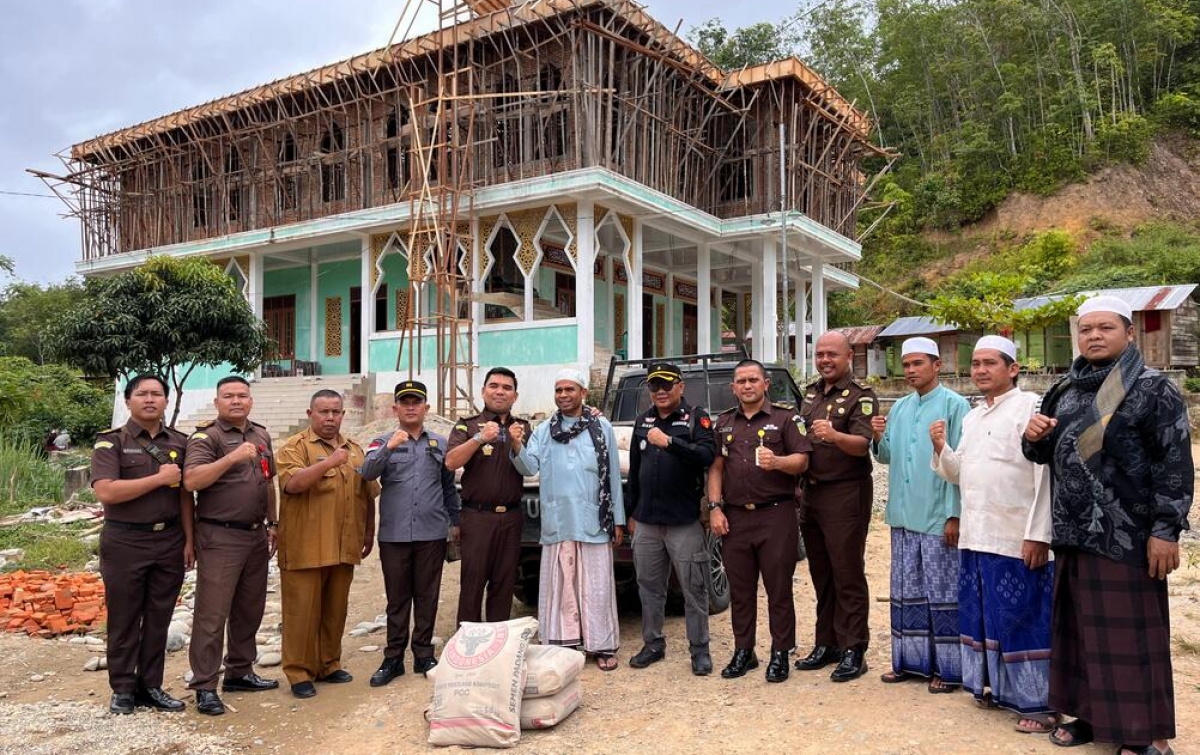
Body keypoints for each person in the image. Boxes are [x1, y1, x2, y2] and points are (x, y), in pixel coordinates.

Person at [1023, 296, 1192, 755]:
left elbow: (1174, 462)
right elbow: (1043, 456)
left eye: (1105, 328)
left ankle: (1145, 735)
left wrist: (1166, 529)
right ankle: (1091, 718)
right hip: (1074, 533)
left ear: (1129, 333)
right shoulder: (1064, 389)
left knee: (1130, 636)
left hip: (1128, 536)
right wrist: (1033, 437)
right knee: (1079, 632)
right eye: (1086, 329)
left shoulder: (1153, 389)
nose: (1094, 336)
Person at [930, 336, 1057, 733]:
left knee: (1025, 618)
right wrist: (941, 448)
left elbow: (1045, 475)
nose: (980, 370)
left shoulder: (1030, 407)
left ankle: (1039, 705)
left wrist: (1039, 535)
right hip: (977, 536)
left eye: (990, 363)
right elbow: (959, 472)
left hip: (1016, 537)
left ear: (1013, 369)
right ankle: (997, 690)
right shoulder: (972, 416)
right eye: (976, 364)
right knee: (986, 617)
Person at [90, 375, 192, 715]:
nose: (150, 399)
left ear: (166, 400)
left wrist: (189, 541)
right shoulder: (111, 443)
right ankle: (122, 689)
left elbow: (185, 497)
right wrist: (159, 479)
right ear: (129, 400)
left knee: (159, 617)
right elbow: (106, 492)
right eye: (142, 394)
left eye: (157, 394)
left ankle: (151, 686)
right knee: (124, 617)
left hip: (169, 540)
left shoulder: (180, 441)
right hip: (125, 541)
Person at [871, 337, 969, 693]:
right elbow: (886, 459)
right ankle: (911, 663)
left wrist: (954, 515)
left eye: (918, 364)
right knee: (907, 591)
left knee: (942, 594)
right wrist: (877, 437)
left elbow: (961, 464)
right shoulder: (899, 407)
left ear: (936, 365)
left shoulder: (955, 406)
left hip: (936, 515)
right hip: (902, 514)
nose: (910, 370)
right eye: (906, 364)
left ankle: (949, 669)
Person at [511, 368, 625, 671]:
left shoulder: (601, 427)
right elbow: (528, 466)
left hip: (594, 520)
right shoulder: (545, 430)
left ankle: (601, 646)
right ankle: (564, 643)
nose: (563, 395)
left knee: (596, 587)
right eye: (559, 390)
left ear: (583, 393)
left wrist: (618, 520)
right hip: (559, 521)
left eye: (569, 389)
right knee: (561, 586)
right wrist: (516, 446)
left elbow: (613, 474)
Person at [707, 358, 811, 683]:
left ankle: (780, 652)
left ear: (766, 383)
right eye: (742, 381)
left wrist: (778, 462)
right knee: (741, 590)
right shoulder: (724, 423)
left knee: (778, 588)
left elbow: (803, 461)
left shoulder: (786, 419)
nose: (748, 386)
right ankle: (744, 651)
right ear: (733, 387)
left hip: (776, 514)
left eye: (754, 380)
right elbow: (716, 469)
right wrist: (714, 507)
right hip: (735, 517)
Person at [183, 375, 280, 716]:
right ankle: (205, 685)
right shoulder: (206, 436)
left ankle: (240, 671)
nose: (236, 401)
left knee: (249, 608)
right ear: (217, 402)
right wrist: (231, 459)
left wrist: (273, 522)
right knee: (212, 614)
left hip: (255, 534)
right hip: (219, 536)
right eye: (229, 396)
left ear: (251, 400)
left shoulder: (261, 434)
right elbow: (192, 480)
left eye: (242, 395)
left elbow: (268, 481)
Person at [275, 389, 380, 699]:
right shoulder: (294, 448)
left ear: (343, 415)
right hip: (305, 545)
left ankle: (328, 664)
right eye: (324, 412)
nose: (330, 418)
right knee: (301, 613)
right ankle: (299, 673)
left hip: (343, 544)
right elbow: (292, 485)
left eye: (336, 412)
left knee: (335, 609)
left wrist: (368, 531)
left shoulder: (356, 450)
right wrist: (330, 462)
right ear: (311, 414)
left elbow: (369, 493)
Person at [361, 380, 460, 686]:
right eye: (405, 402)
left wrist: (455, 523)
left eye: (417, 401)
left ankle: (423, 654)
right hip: (394, 534)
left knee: (428, 595)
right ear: (396, 409)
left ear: (426, 408)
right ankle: (393, 659)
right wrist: (390, 448)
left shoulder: (440, 444)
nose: (411, 406)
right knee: (397, 598)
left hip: (431, 532)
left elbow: (447, 487)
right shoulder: (382, 441)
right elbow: (367, 473)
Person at [794, 331, 879, 682]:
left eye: (832, 354)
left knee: (847, 572)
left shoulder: (861, 397)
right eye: (820, 354)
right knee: (821, 573)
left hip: (846, 493)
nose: (825, 360)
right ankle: (826, 641)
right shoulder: (810, 393)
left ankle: (854, 648)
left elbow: (862, 444)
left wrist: (834, 435)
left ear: (849, 358)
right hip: (811, 494)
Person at [625, 362, 716, 676]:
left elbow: (707, 456)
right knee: (649, 587)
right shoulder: (642, 420)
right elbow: (635, 473)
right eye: (654, 386)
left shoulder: (695, 418)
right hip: (647, 522)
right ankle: (653, 644)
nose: (660, 391)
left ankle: (700, 650)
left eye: (666, 384)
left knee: (694, 587)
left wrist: (671, 443)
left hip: (683, 521)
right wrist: (631, 513)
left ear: (680, 386)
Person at [445, 367, 532, 625]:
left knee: (503, 585)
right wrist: (479, 438)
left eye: (507, 388)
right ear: (483, 391)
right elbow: (451, 462)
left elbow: (532, 466)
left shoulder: (524, 427)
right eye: (494, 386)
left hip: (512, 517)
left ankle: (497, 650)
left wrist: (518, 443)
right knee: (472, 584)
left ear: (515, 396)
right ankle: (468, 649)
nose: (500, 391)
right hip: (477, 517)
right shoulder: (467, 425)